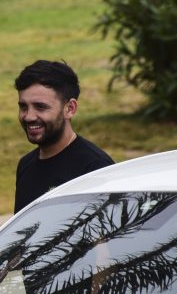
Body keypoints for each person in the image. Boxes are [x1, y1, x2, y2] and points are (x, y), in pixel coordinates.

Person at [14, 60, 114, 213]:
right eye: (23, 107)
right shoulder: (25, 165)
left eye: (40, 107)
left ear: (70, 108)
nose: (28, 117)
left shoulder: (94, 168)